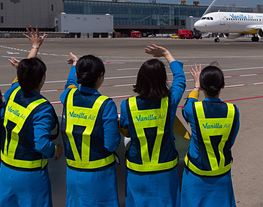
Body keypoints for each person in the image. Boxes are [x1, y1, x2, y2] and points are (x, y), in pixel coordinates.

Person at [0, 26, 62, 207]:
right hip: (29, 175)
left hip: (5, 169)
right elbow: (42, 143)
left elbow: (24, 74)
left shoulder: (13, 91)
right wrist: (55, 151)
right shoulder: (41, 108)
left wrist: (35, 47)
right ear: (42, 79)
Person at [119, 45, 186, 207]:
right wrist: (167, 54)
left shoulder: (128, 105)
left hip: (138, 170)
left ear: (139, 79)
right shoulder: (169, 102)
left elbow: (126, 131)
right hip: (165, 169)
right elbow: (180, 80)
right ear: (163, 80)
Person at [60, 52, 120, 206]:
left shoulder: (68, 96)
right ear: (101, 76)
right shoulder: (105, 104)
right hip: (99, 173)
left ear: (79, 75)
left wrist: (75, 65)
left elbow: (70, 83)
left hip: (73, 171)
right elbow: (111, 144)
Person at [181, 64, 240, 207]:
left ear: (202, 86)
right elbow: (230, 141)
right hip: (222, 175)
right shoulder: (233, 111)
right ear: (223, 85)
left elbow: (188, 103)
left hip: (196, 175)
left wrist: (195, 87)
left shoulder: (193, 109)